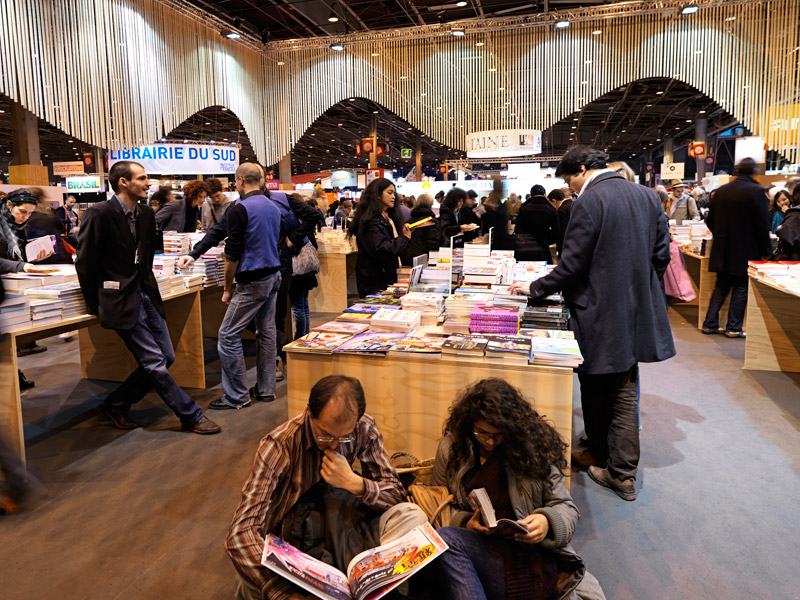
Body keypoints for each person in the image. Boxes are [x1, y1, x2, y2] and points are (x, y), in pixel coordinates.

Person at [510, 146, 675, 501]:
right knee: (625, 385)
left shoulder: (589, 200)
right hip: (635, 308)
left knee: (598, 383)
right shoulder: (648, 196)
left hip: (598, 309)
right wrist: (639, 287)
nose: (570, 187)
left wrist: (533, 287)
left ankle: (607, 462)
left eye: (570, 178)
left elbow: (572, 265)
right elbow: (662, 254)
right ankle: (624, 471)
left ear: (583, 169)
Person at [226, 375, 427, 600]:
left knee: (414, 516)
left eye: (343, 438)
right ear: (309, 412)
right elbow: (240, 533)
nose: (332, 444)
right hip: (295, 542)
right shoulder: (279, 446)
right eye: (324, 434)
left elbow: (396, 494)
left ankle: (365, 583)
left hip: (346, 530)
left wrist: (355, 483)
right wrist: (282, 594)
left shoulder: (363, 428)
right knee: (249, 579)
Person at [75, 160, 220, 434]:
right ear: (123, 182)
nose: (148, 183)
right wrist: (96, 304)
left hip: (146, 294)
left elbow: (146, 257)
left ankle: (116, 403)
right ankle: (190, 415)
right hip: (118, 299)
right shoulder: (99, 214)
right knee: (154, 360)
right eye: (142, 178)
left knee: (165, 356)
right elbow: (85, 263)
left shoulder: (145, 214)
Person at [431, 379, 606, 600]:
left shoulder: (533, 447)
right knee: (447, 538)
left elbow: (566, 508)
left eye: (499, 434)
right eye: (482, 432)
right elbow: (437, 506)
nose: (491, 441)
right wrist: (466, 523)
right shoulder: (451, 448)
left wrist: (546, 522)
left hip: (531, 558)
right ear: (469, 423)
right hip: (481, 551)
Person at [210, 163, 282, 410]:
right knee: (267, 333)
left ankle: (236, 396)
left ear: (240, 180)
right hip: (274, 275)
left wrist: (227, 288)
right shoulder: (273, 205)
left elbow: (232, 255)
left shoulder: (240, 209)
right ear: (260, 180)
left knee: (228, 335)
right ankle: (266, 390)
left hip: (252, 281)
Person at [701, 158, 771, 337]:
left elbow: (710, 219)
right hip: (746, 249)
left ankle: (709, 324)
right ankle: (733, 327)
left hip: (722, 248)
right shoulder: (757, 192)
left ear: (737, 171)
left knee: (721, 286)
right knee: (741, 286)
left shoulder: (722, 191)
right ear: (754, 171)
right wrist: (766, 251)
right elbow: (763, 225)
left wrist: (719, 235)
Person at [0, 188, 54, 389]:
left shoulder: (14, 225)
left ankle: (14, 377)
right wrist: (21, 265)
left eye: (30, 213)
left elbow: (15, 254)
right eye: (22, 211)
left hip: (10, 285)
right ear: (9, 205)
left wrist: (32, 256)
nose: (25, 217)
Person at [347, 178, 410, 297]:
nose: (393, 197)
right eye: (389, 193)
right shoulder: (371, 221)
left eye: (394, 193)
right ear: (378, 195)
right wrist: (404, 238)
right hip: (374, 280)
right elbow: (381, 249)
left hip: (385, 276)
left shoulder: (387, 217)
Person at [289, 193, 319, 339]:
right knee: (304, 305)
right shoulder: (306, 224)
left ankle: (300, 336)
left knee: (298, 307)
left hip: (296, 271)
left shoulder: (294, 226)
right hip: (306, 271)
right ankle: (305, 334)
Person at [514, 184, 560, 263]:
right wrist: (545, 240)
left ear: (531, 195)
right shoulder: (551, 209)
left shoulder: (524, 208)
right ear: (544, 195)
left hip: (526, 249)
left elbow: (517, 230)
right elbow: (556, 233)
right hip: (543, 248)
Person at [402, 193, 442, 265]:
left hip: (408, 259)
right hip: (425, 259)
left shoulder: (408, 221)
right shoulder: (431, 222)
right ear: (430, 205)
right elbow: (434, 243)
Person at [775, 185, 800, 259]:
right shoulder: (776, 213)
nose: (782, 203)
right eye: (778, 201)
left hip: (796, 256)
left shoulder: (794, 212)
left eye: (784, 199)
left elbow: (784, 232)